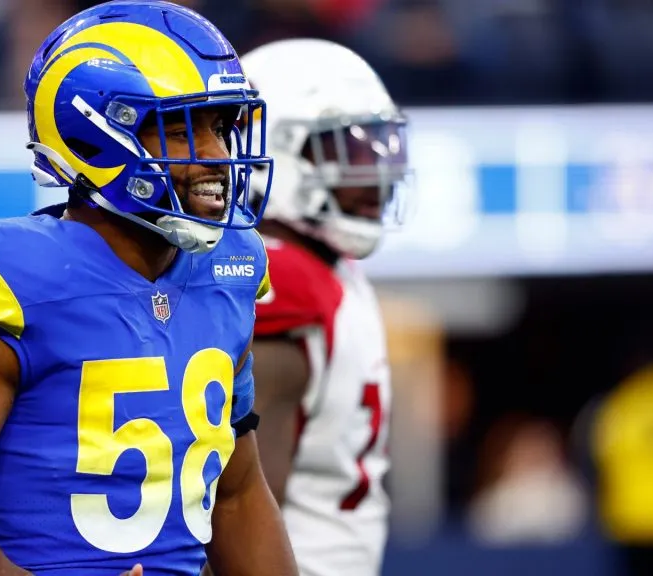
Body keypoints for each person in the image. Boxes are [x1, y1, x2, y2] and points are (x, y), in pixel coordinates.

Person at [0, 2, 298, 575]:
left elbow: (236, 491)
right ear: (95, 133)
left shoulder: (233, 265)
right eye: (180, 128)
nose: (217, 157)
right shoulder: (7, 278)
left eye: (220, 126)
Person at [240, 38, 411, 576]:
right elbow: (239, 500)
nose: (375, 174)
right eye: (349, 152)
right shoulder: (280, 275)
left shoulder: (328, 267)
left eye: (381, 148)